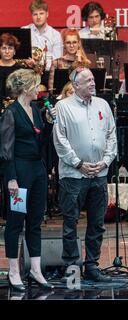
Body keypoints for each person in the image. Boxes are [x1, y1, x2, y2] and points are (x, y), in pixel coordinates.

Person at [53, 67, 117, 282]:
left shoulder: (103, 104)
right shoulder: (62, 106)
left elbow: (111, 135)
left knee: (97, 223)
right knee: (70, 222)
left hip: (99, 173)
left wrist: (106, 161)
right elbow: (60, 141)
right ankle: (71, 267)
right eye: (87, 80)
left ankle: (92, 266)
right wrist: (78, 164)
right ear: (76, 86)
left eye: (92, 79)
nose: (92, 83)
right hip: (73, 175)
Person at [2, 68, 54, 291]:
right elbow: (5, 150)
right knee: (15, 222)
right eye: (36, 86)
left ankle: (35, 269)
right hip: (19, 172)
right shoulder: (11, 113)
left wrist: (50, 123)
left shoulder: (35, 108)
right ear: (25, 88)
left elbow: (41, 139)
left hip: (37, 170)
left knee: (35, 221)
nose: (39, 90)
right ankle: (14, 271)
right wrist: (11, 179)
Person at [22, 0, 63, 70]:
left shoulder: (56, 35)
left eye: (41, 13)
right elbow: (19, 56)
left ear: (47, 14)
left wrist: (38, 64)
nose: (38, 17)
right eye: (35, 14)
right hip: (26, 71)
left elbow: (57, 60)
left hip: (48, 73)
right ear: (31, 15)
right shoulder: (23, 31)